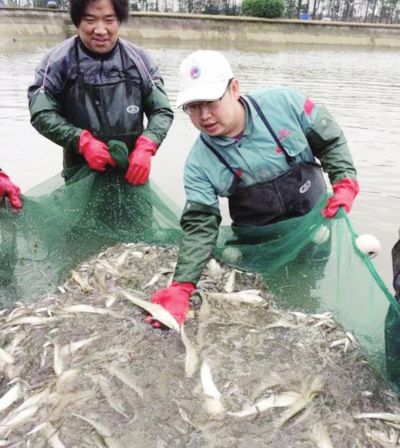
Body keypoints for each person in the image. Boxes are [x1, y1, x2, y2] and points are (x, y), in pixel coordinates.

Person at [146, 50, 359, 327]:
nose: (204, 116)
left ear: (233, 88)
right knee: (267, 299)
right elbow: (201, 226)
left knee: (309, 285)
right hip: (260, 244)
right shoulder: (198, 165)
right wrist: (183, 285)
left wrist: (344, 180)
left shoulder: (285, 104)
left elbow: (330, 141)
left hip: (312, 228)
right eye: (193, 107)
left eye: (211, 102)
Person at [27, 0, 173, 183]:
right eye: (90, 20)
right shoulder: (57, 61)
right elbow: (41, 112)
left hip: (132, 175)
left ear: (119, 21)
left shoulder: (140, 60)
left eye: (109, 20)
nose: (101, 29)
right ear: (77, 22)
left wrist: (148, 144)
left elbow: (162, 110)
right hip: (80, 178)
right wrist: (81, 141)